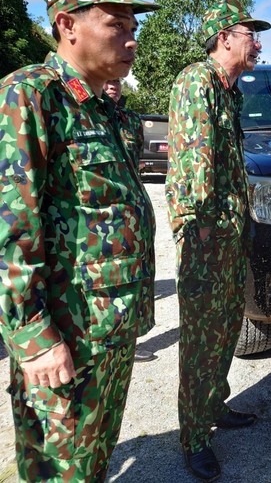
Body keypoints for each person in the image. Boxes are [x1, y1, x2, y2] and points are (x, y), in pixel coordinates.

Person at [0, 0, 157, 481]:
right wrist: (32, 334)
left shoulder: (104, 110)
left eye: (134, 28)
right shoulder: (30, 94)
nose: (131, 40)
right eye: (117, 26)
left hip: (108, 332)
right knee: (58, 470)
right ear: (68, 25)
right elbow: (10, 228)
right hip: (64, 338)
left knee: (93, 459)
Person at [166, 0, 270, 481]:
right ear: (225, 37)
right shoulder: (196, 81)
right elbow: (191, 160)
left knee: (227, 326)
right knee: (201, 339)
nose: (258, 43)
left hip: (230, 234)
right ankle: (193, 437)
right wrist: (197, 225)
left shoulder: (230, 90)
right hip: (207, 237)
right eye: (251, 34)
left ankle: (214, 406)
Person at [103, 78, 158, 363]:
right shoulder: (88, 115)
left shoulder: (131, 120)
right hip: (104, 219)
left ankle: (129, 341)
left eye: (117, 83)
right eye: (108, 82)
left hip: (133, 213)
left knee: (135, 277)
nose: (113, 86)